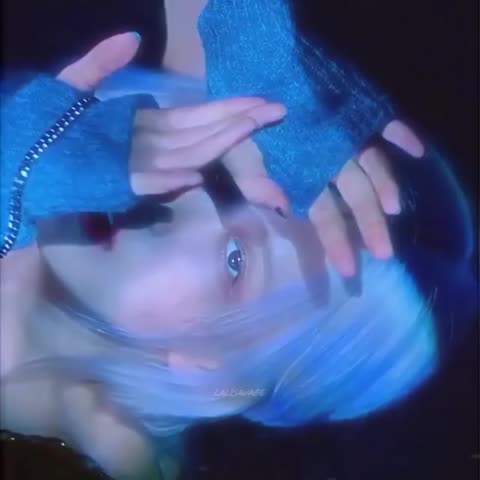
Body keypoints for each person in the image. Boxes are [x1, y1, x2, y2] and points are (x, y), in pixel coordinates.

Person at [0, 3, 475, 480]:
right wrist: (249, 43)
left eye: (235, 261)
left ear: (209, 374)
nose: (174, 196)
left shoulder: (109, 461)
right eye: (222, 171)